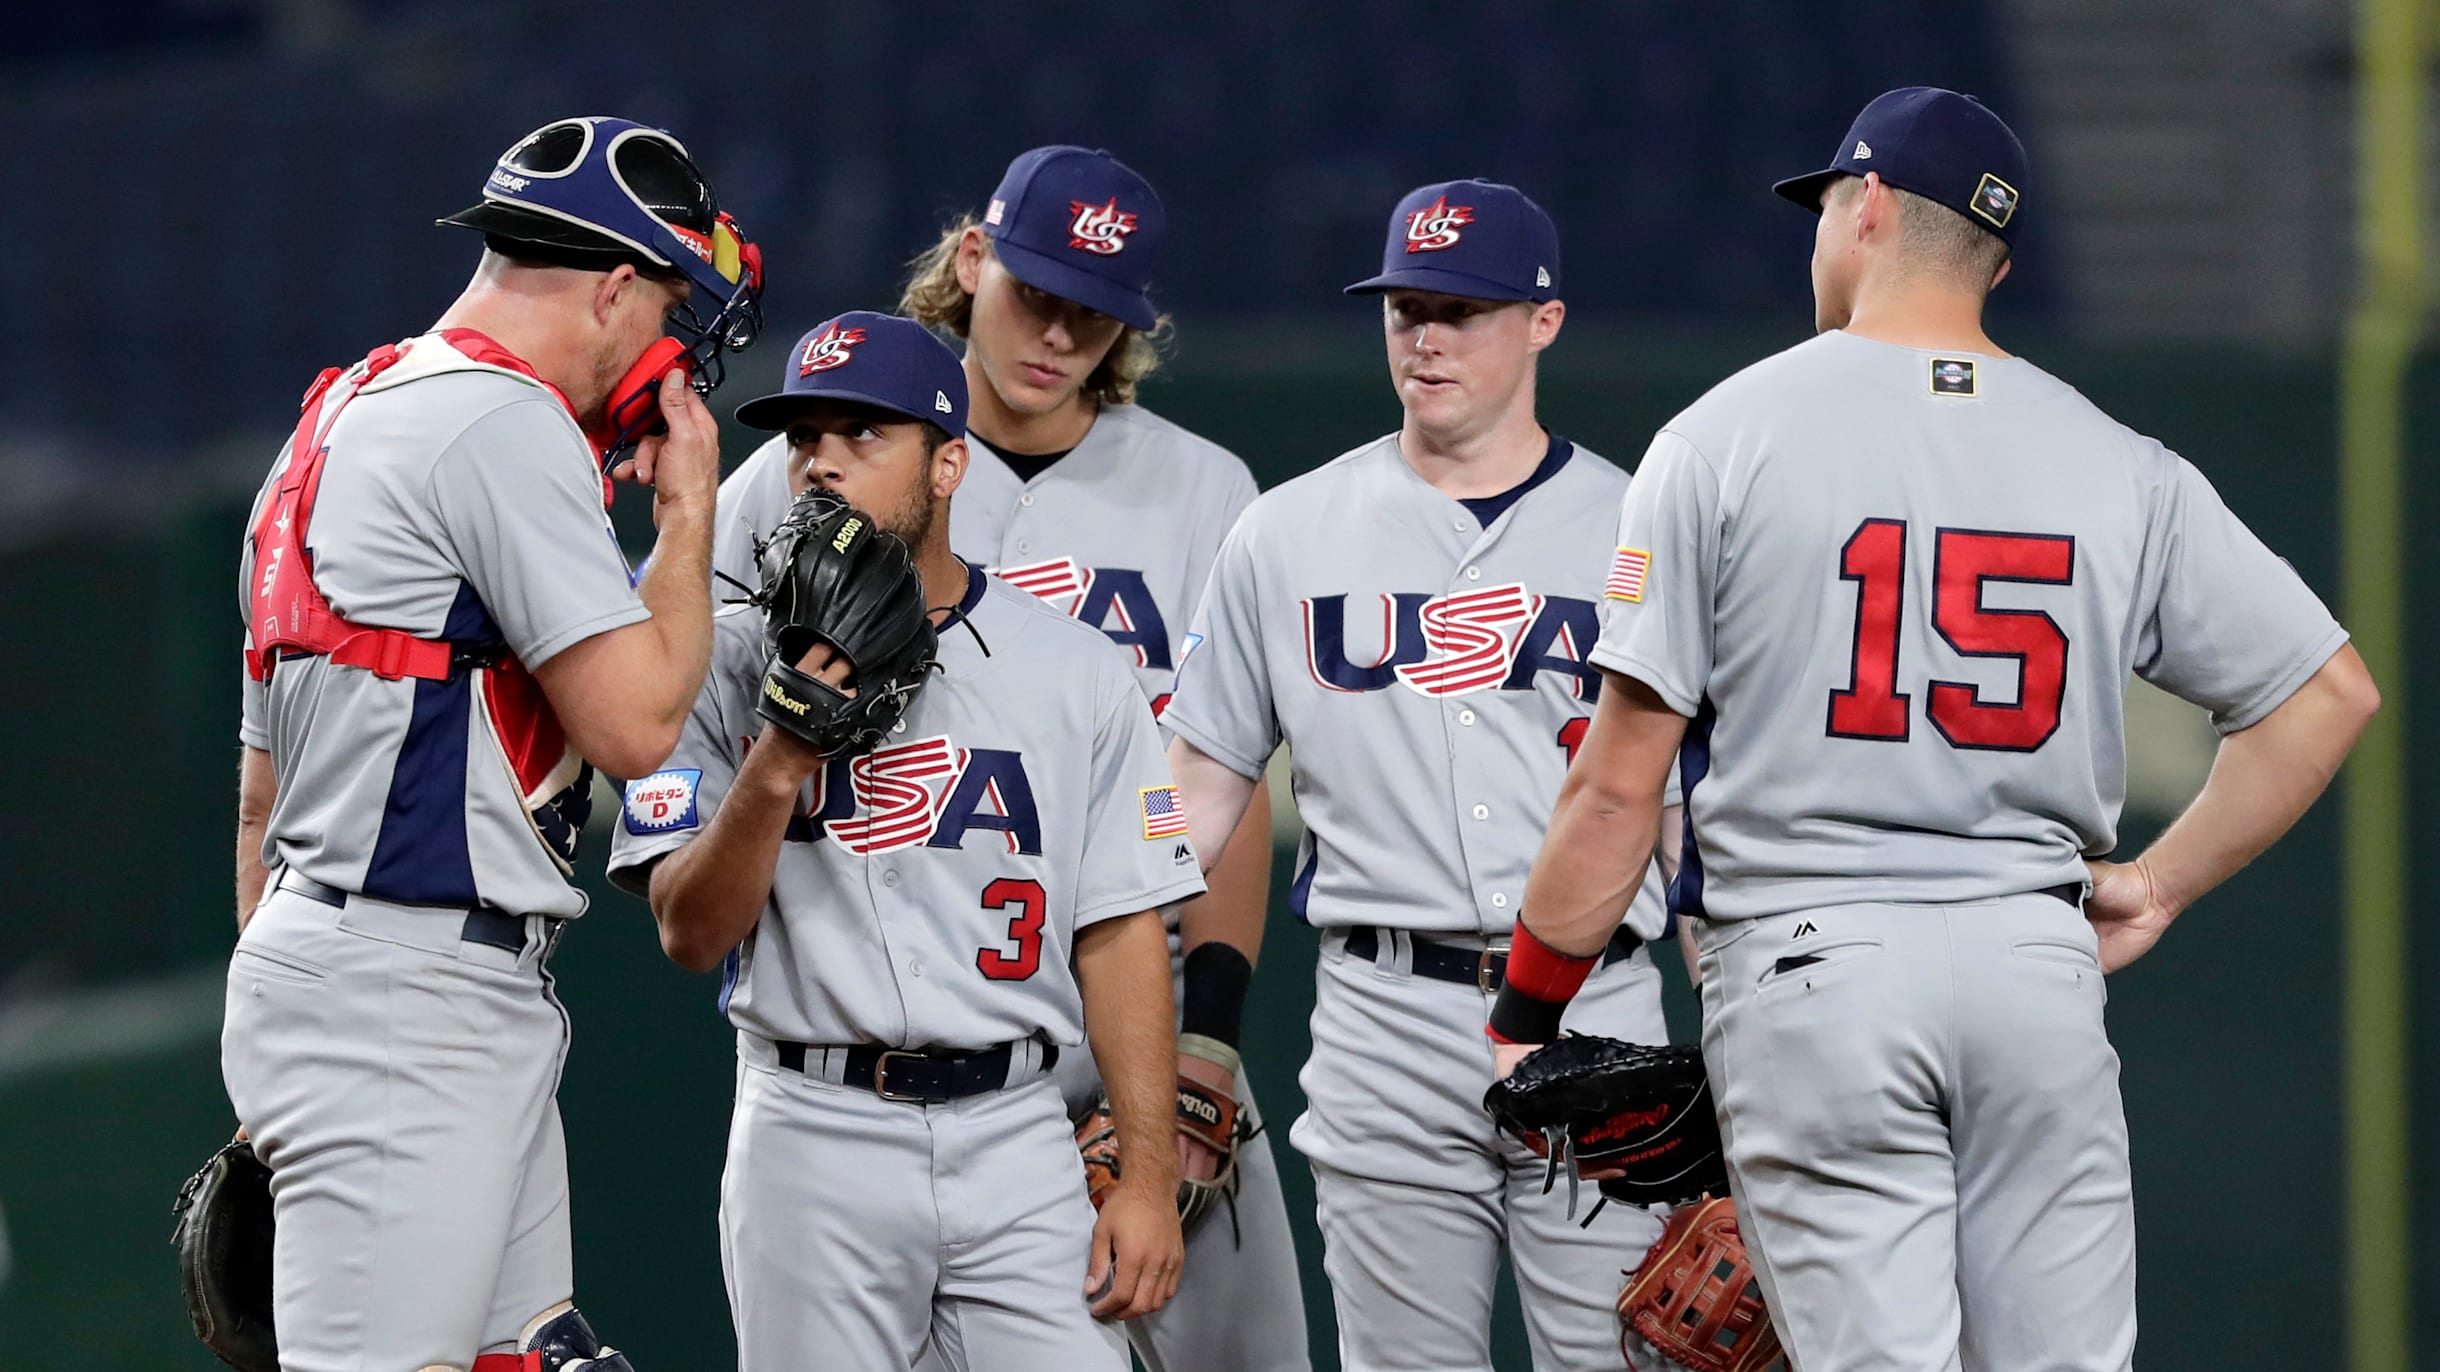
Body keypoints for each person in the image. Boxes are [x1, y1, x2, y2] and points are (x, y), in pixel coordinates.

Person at [1493, 87, 2380, 1372]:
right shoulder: (2117, 459)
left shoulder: (1724, 438)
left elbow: (1614, 791)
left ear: (1861, 210)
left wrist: (1528, 1007)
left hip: (1813, 968)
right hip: (2035, 969)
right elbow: (2327, 693)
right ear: (1998, 262)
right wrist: (2154, 883)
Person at [712, 146, 1305, 1372]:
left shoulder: (1203, 489)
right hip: (876, 1008)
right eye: (1039, 296)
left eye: (1095, 316)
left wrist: (1211, 1038)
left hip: (1132, 988)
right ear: (971, 261)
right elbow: (700, 687)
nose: (1060, 336)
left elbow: (1226, 779)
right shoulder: (818, 465)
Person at [225, 115, 763, 1371]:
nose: (675, 351)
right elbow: (638, 728)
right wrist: (688, 513)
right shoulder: (497, 420)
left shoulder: (336, 417)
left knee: (531, 1359)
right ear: (619, 286)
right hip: (406, 991)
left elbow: (258, 799)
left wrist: (290, 1031)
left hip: (371, 968)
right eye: (675, 309)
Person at [1159, 180, 1685, 1370]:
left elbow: (1689, 824)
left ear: (1543, 320)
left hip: (1595, 1008)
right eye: (1406, 308)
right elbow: (1190, 797)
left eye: (1463, 308)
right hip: (1383, 1010)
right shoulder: (1286, 533)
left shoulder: (1639, 527)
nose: (1427, 337)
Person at [608, 312, 1197, 1371]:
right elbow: (689, 933)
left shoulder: (1072, 668)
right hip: (812, 1131)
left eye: (864, 433)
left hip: (1019, 1129)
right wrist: (777, 760)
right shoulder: (714, 665)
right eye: (802, 439)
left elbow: (1121, 933)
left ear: (950, 462)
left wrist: (1147, 1179)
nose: (821, 461)